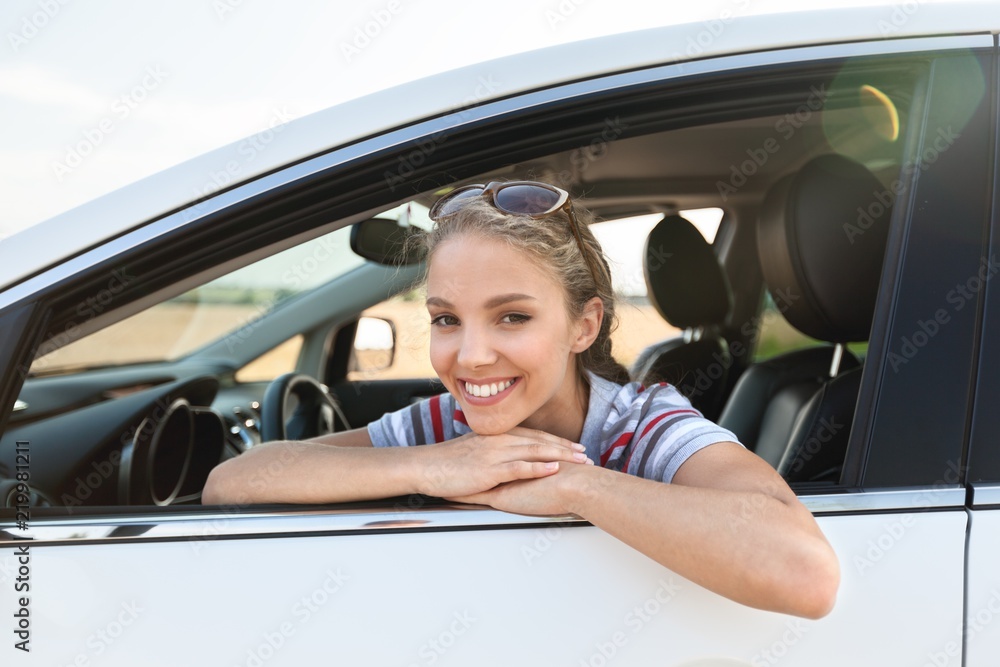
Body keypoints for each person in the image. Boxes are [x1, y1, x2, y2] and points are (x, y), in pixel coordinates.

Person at [203, 180, 840, 619]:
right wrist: (434, 464)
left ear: (582, 326)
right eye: (447, 320)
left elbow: (806, 575)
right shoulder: (443, 424)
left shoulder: (642, 423)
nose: (471, 356)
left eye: (511, 318)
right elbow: (231, 482)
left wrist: (574, 489)